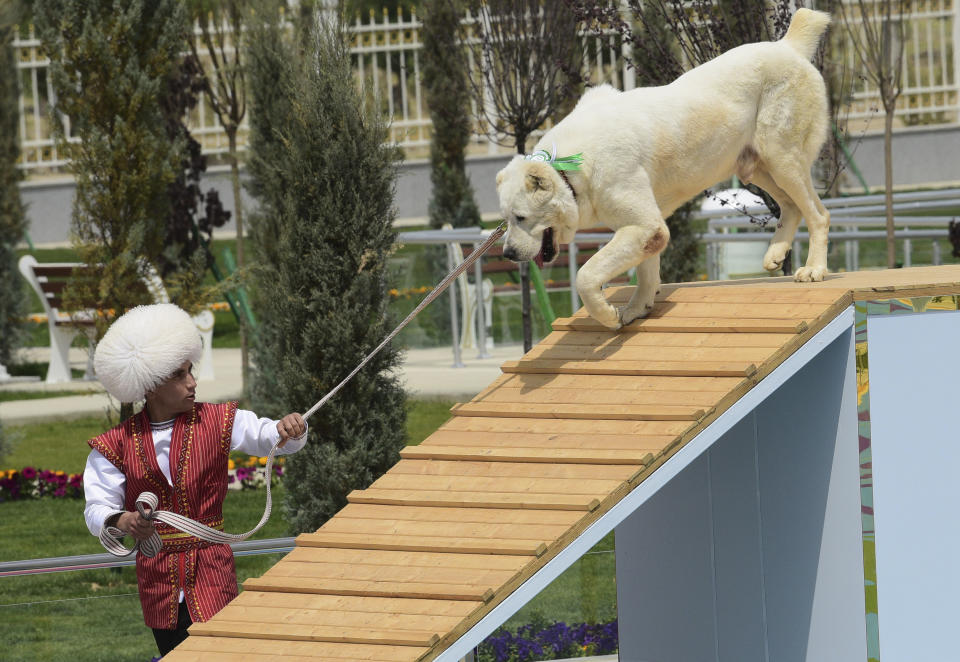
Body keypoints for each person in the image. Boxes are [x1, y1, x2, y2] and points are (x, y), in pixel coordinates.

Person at [82, 303, 308, 656]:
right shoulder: (114, 444)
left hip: (212, 571)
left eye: (191, 370)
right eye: (179, 375)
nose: (192, 382)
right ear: (151, 384)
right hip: (159, 583)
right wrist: (122, 520)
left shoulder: (219, 420)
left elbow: (269, 436)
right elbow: (96, 508)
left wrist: (289, 429)